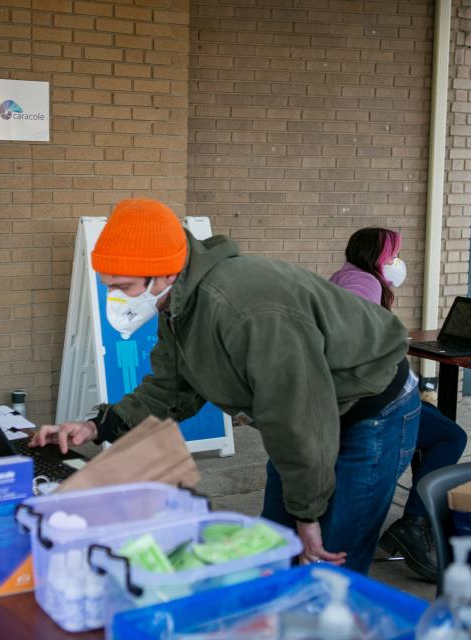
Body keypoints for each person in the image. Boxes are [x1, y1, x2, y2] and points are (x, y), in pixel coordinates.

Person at [31, 198, 420, 573]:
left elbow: (296, 413)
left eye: (125, 286)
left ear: (165, 272)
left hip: (371, 405)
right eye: (109, 286)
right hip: (307, 411)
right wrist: (97, 426)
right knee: (275, 543)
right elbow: (170, 387)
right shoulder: (179, 303)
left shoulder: (245, 308)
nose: (116, 299)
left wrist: (308, 514)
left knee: (330, 557)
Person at [330, 227, 468, 581]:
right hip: (379, 405)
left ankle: (419, 518)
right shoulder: (365, 284)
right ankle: (414, 523)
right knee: (451, 436)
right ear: (377, 258)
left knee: (435, 420)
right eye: (392, 256)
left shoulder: (348, 275)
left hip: (373, 399)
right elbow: (352, 341)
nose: (397, 263)